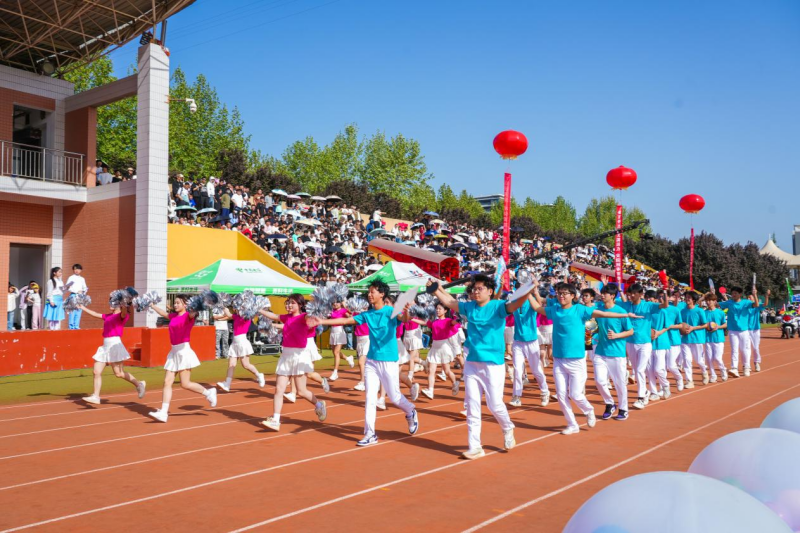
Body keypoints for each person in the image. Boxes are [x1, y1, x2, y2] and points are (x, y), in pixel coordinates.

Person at [432, 274, 535, 460]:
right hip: (472, 363)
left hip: (493, 364)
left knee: (494, 404)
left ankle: (507, 427)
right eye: (474, 289)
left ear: (490, 291)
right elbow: (450, 302)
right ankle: (475, 446)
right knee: (472, 405)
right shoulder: (470, 306)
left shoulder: (498, 306)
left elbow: (515, 305)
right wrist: (436, 289)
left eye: (480, 289)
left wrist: (528, 290)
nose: (476, 291)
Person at [310, 280, 418, 447]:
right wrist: (321, 321)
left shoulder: (390, 311)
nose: (369, 294)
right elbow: (345, 322)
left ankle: (410, 410)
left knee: (395, 397)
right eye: (369, 291)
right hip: (371, 362)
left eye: (373, 291)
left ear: (382, 294)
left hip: (388, 361)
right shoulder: (367, 314)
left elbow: (404, 318)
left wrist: (407, 311)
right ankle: (370, 433)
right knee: (370, 398)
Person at [526, 281, 641, 435]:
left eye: (565, 293)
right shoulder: (555, 310)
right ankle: (572, 424)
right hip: (559, 359)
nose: (561, 296)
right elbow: (537, 308)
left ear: (573, 296)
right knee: (561, 395)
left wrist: (625, 315)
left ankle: (589, 409)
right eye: (559, 293)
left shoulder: (580, 309)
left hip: (576, 360)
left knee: (575, 394)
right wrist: (527, 292)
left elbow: (604, 314)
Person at [258, 294, 327, 431]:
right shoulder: (286, 317)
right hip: (285, 356)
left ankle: (319, 405)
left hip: (299, 356)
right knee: (279, 389)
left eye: (292, 303)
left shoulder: (304, 317)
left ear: (300, 305)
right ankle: (276, 420)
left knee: (301, 391)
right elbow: (274, 316)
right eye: (288, 302)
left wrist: (316, 310)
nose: (289, 305)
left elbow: (311, 317)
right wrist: (258, 309)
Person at [147, 295, 218, 423]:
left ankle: (209, 393)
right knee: (167, 382)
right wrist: (152, 305)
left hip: (184, 352)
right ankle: (163, 412)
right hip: (174, 352)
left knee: (185, 384)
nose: (175, 305)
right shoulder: (174, 316)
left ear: (186, 304)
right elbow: (163, 313)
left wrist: (199, 304)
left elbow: (193, 312)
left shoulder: (189, 316)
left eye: (178, 303)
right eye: (175, 303)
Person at [78, 300, 146, 404]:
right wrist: (83, 308)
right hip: (105, 346)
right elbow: (95, 314)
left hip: (115, 345)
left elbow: (124, 311)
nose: (110, 304)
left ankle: (139, 384)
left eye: (112, 302)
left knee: (119, 373)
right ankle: (96, 396)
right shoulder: (108, 316)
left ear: (119, 305)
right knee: (96, 372)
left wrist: (124, 302)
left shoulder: (122, 315)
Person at [617, 284, 666, 410]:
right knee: (636, 369)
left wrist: (665, 292)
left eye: (634, 293)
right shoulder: (626, 305)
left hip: (645, 343)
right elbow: (612, 304)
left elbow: (664, 305)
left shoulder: (648, 305)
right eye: (630, 293)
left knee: (639, 370)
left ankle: (640, 398)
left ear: (640, 294)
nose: (631, 295)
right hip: (630, 342)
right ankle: (645, 392)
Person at [592, 283, 634, 420]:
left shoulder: (621, 312)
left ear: (612, 296)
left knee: (619, 383)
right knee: (599, 381)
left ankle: (623, 408)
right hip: (600, 352)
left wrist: (617, 335)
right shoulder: (598, 310)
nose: (602, 295)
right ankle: (610, 403)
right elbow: (594, 326)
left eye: (605, 293)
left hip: (616, 353)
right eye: (602, 293)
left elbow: (630, 331)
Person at [508, 287, 550, 408]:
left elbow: (539, 305)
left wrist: (532, 291)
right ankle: (516, 396)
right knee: (517, 370)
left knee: (536, 370)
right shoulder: (513, 302)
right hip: (518, 341)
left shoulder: (531, 302)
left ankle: (544, 391)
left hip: (531, 341)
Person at [409, 302, 460, 400]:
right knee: (431, 370)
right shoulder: (434, 321)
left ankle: (455, 382)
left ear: (445, 310)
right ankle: (430, 390)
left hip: (444, 347)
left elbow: (454, 322)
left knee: (447, 371)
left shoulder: (448, 321)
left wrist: (458, 319)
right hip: (435, 347)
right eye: (437, 308)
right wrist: (412, 319)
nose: (437, 310)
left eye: (440, 309)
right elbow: (424, 323)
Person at [216, 308, 265, 393]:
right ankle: (227, 384)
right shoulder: (236, 316)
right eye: (236, 308)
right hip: (234, 343)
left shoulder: (246, 317)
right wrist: (223, 307)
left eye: (239, 308)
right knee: (231, 364)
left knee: (245, 365)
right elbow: (228, 315)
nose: (236, 309)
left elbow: (253, 313)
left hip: (242, 342)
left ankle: (259, 375)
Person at [719, 286, 759, 378]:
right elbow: (716, 304)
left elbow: (756, 305)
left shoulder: (746, 302)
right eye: (732, 293)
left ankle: (746, 367)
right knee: (734, 350)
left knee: (744, 349)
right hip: (733, 330)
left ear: (740, 294)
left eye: (735, 293)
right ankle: (734, 368)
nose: (733, 295)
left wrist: (755, 294)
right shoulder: (729, 302)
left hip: (744, 331)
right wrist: (711, 295)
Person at [679, 292, 708, 388]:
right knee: (686, 360)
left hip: (697, 339)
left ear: (694, 300)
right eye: (686, 297)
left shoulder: (700, 311)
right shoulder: (682, 311)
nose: (687, 299)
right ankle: (689, 381)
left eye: (689, 297)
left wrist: (693, 328)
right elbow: (680, 324)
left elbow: (705, 324)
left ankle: (704, 372)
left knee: (699, 361)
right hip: (685, 339)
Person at [704, 293, 728, 383]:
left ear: (714, 301)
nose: (708, 302)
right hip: (707, 338)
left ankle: (723, 370)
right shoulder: (704, 313)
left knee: (717, 358)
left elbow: (725, 324)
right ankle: (713, 375)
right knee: (709, 359)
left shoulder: (720, 312)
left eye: (710, 300)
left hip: (718, 338)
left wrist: (718, 327)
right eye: (707, 300)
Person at [328, 301, 354, 382]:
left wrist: (346, 308)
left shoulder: (343, 310)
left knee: (336, 352)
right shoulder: (332, 310)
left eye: (337, 302)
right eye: (334, 302)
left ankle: (335, 372)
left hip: (339, 332)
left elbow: (349, 315)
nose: (335, 304)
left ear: (340, 304)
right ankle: (348, 358)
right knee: (335, 352)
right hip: (332, 332)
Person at [747, 290, 770, 372]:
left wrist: (766, 296)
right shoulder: (745, 306)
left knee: (755, 347)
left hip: (755, 329)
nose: (749, 299)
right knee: (746, 348)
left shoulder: (757, 306)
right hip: (746, 330)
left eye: (750, 297)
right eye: (748, 298)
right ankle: (747, 365)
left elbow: (765, 304)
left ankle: (756, 362)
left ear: (754, 299)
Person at [66, 264, 88, 330]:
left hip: (80, 296)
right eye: (75, 269)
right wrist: (76, 291)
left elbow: (85, 287)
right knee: (72, 311)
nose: (76, 270)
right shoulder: (71, 278)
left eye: (78, 269)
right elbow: (68, 287)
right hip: (73, 295)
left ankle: (76, 326)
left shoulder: (82, 279)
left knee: (79, 311)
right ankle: (71, 326)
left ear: (81, 270)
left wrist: (83, 291)